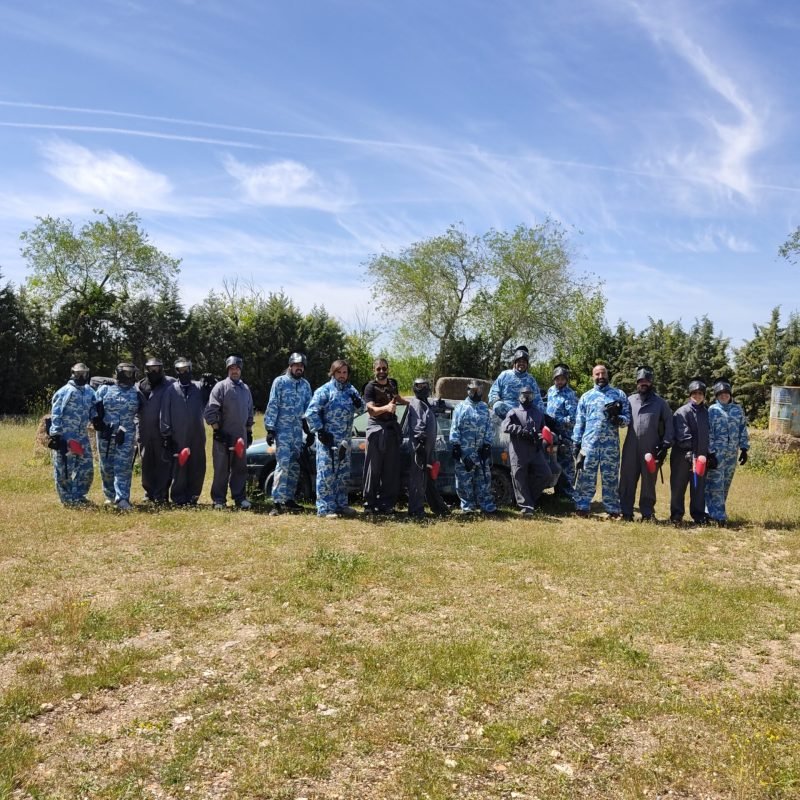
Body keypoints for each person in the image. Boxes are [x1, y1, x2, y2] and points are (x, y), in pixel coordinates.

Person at [304, 359, 362, 518]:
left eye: (345, 372)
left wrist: (358, 402)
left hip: (345, 441)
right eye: (339, 372)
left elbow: (362, 408)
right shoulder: (325, 390)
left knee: (342, 474)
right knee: (326, 475)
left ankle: (341, 505)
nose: (342, 376)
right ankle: (324, 508)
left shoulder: (351, 390)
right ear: (333, 372)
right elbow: (311, 412)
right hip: (327, 441)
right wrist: (320, 431)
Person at [572, 364, 631, 518]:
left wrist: (617, 418)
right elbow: (580, 422)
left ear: (607, 375)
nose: (600, 377)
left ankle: (612, 508)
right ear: (593, 376)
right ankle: (582, 505)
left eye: (603, 374)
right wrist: (576, 442)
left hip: (610, 445)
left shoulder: (618, 394)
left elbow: (627, 420)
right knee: (585, 476)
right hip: (588, 445)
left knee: (610, 477)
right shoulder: (586, 397)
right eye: (597, 374)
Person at [619, 366, 674, 522]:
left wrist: (665, 445)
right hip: (630, 447)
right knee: (627, 480)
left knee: (649, 482)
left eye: (647, 381)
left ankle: (647, 513)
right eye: (641, 381)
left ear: (651, 382)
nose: (644, 383)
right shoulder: (629, 401)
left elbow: (670, 424)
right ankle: (626, 512)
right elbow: (621, 420)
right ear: (637, 383)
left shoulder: (660, 403)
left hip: (652, 448)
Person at [264, 352, 313, 515]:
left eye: (302, 366)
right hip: (282, 431)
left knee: (294, 467)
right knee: (282, 465)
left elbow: (309, 409)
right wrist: (270, 429)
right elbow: (273, 404)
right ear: (290, 365)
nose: (299, 368)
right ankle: (276, 502)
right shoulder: (280, 382)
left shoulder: (305, 385)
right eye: (296, 365)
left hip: (297, 432)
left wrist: (309, 430)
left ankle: (289, 499)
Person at [204, 355, 254, 510]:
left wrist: (249, 431)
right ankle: (219, 499)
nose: (235, 371)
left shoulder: (245, 389)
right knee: (221, 468)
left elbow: (249, 411)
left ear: (240, 370)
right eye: (232, 368)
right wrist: (216, 430)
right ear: (228, 370)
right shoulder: (220, 387)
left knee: (240, 468)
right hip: (223, 436)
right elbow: (210, 410)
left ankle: (240, 498)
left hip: (241, 436)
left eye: (237, 368)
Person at [361, 358, 407, 514]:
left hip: (392, 429)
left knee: (390, 470)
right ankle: (369, 503)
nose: (381, 371)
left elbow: (398, 398)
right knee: (373, 469)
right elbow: (371, 411)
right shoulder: (369, 387)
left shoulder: (393, 383)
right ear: (374, 370)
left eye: (384, 368)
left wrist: (413, 403)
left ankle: (386, 504)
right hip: (375, 429)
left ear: (388, 369)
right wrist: (387, 408)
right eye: (378, 369)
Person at [94, 362, 142, 510]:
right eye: (125, 373)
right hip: (106, 434)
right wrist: (98, 423)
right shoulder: (105, 389)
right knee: (106, 466)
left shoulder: (136, 393)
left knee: (123, 467)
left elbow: (143, 413)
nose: (129, 376)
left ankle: (122, 498)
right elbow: (94, 407)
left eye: (131, 373)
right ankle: (110, 495)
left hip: (126, 435)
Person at [48, 362, 96, 506]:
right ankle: (67, 498)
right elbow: (56, 413)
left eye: (84, 374)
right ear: (72, 373)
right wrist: (55, 433)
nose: (81, 376)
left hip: (82, 436)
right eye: (78, 373)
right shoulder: (65, 391)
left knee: (86, 467)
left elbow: (93, 407)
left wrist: (97, 418)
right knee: (64, 468)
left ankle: (79, 495)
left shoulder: (89, 391)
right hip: (66, 436)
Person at [161, 357, 207, 506]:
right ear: (176, 372)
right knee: (179, 466)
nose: (183, 373)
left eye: (186, 369)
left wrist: (210, 384)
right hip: (178, 434)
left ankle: (193, 496)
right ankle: (178, 497)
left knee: (197, 465)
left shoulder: (199, 387)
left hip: (197, 434)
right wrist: (166, 434)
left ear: (191, 370)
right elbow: (165, 413)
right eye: (180, 370)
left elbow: (210, 399)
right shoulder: (171, 390)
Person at [670, 378, 715, 526]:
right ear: (690, 394)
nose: (697, 396)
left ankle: (698, 514)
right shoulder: (681, 412)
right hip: (682, 456)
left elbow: (709, 434)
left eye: (700, 393)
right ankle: (676, 514)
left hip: (700, 456)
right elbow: (682, 433)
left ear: (704, 395)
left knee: (698, 487)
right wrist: (688, 450)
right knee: (678, 485)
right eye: (694, 393)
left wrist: (710, 453)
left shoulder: (707, 412)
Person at [502, 387, 553, 515]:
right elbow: (505, 426)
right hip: (518, 451)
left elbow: (543, 429)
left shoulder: (538, 413)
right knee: (519, 477)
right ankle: (526, 507)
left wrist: (542, 436)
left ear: (533, 396)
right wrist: (521, 431)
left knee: (545, 474)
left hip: (535, 450)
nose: (526, 398)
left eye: (529, 395)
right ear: (519, 396)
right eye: (524, 395)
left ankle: (529, 499)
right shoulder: (513, 412)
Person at [706, 380, 750, 526]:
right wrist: (710, 453)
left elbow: (742, 428)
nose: (724, 396)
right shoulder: (712, 410)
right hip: (717, 454)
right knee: (715, 484)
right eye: (720, 394)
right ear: (716, 396)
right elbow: (709, 432)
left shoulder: (737, 410)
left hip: (732, 453)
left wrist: (744, 449)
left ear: (730, 394)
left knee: (725, 484)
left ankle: (711, 512)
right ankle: (718, 516)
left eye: (726, 393)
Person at [405, 378, 449, 518]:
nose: (421, 388)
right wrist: (420, 443)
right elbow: (417, 424)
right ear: (414, 388)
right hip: (420, 446)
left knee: (427, 479)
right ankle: (415, 510)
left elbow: (430, 412)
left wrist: (439, 407)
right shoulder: (416, 403)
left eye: (424, 385)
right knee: (417, 479)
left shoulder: (425, 403)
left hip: (427, 447)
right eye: (418, 386)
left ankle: (437, 506)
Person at [449, 379, 496, 513]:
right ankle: (467, 506)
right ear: (468, 390)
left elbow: (489, 427)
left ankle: (486, 505)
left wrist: (487, 445)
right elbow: (455, 427)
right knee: (464, 481)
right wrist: (456, 446)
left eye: (479, 390)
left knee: (484, 480)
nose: (476, 393)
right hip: (465, 452)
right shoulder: (461, 407)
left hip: (481, 451)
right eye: (473, 390)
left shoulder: (484, 408)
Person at [137, 357, 176, 503]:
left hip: (163, 431)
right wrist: (137, 427)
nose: (154, 371)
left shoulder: (170, 383)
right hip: (144, 431)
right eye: (151, 369)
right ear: (146, 369)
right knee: (146, 462)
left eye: (157, 368)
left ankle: (162, 494)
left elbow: (188, 385)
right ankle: (149, 493)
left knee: (164, 462)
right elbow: (135, 408)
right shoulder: (140, 385)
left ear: (162, 369)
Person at [545, 363, 579, 499]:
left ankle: (568, 493)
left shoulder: (570, 395)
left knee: (566, 464)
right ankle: (557, 491)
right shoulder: (551, 391)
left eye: (562, 379)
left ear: (566, 379)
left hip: (565, 434)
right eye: (557, 379)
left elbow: (573, 418)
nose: (560, 381)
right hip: (551, 432)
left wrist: (557, 420)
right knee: (554, 462)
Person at [488, 346, 545, 420]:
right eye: (519, 361)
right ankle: (515, 420)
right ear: (514, 363)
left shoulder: (531, 380)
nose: (521, 364)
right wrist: (495, 402)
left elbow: (537, 400)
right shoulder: (504, 375)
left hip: (525, 411)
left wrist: (541, 414)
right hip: (506, 410)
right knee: (497, 405)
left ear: (527, 364)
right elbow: (493, 392)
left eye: (524, 362)